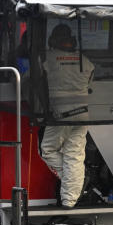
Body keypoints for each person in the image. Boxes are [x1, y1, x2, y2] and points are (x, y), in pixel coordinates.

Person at [40, 24, 95, 209]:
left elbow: (30, 81)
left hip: (60, 114)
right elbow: (89, 81)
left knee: (47, 150)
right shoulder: (86, 60)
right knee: (74, 155)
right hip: (83, 114)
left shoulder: (47, 59)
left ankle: (75, 181)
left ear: (52, 40)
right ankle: (69, 202)